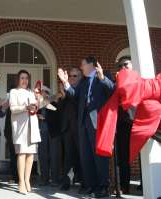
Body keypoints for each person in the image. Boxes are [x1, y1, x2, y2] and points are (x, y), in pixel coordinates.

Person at [58, 56, 114, 198]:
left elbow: (112, 91)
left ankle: (103, 186)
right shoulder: (83, 81)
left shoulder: (103, 76)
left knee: (99, 155)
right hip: (83, 123)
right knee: (86, 155)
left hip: (97, 121)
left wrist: (102, 78)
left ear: (91, 65)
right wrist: (66, 83)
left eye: (83, 64)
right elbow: (74, 95)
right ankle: (91, 185)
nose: (81, 67)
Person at [9, 70, 41, 194]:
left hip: (32, 126)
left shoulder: (31, 92)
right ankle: (21, 182)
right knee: (22, 153)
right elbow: (13, 109)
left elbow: (36, 108)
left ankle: (27, 180)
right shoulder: (14, 92)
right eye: (22, 78)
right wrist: (25, 107)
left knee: (31, 154)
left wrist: (38, 101)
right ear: (18, 79)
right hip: (20, 127)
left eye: (26, 78)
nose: (24, 80)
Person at [59, 67, 83, 190]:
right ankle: (66, 182)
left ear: (80, 77)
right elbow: (60, 109)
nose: (72, 78)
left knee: (82, 155)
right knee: (68, 156)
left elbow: (75, 98)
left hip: (79, 128)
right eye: (71, 76)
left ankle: (84, 182)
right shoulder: (67, 90)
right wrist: (63, 96)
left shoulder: (81, 89)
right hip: (67, 128)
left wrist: (66, 86)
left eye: (75, 76)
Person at [115, 56, 133, 194]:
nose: (123, 68)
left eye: (126, 64)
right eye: (120, 66)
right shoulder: (118, 83)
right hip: (123, 124)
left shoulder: (138, 80)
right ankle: (124, 185)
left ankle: (146, 183)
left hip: (139, 122)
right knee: (123, 156)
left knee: (143, 155)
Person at [37, 86, 53, 186]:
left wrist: (44, 118)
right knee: (42, 156)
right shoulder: (38, 104)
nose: (41, 94)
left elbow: (56, 118)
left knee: (51, 156)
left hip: (51, 133)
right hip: (40, 133)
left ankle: (52, 177)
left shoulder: (52, 103)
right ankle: (44, 178)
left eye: (43, 92)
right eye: (41, 92)